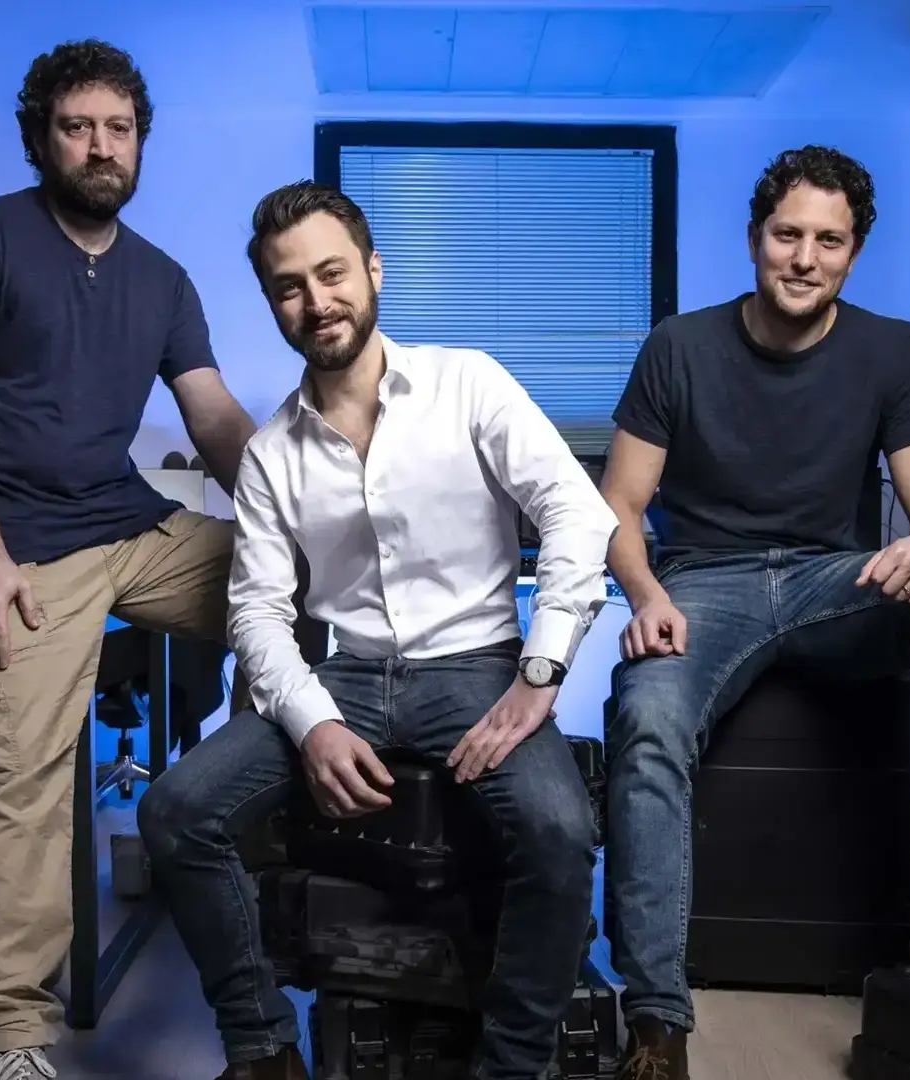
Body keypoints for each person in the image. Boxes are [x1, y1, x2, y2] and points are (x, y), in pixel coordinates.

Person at [598, 145, 910, 1079]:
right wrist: (646, 595)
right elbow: (617, 504)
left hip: (835, 581)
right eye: (788, 235)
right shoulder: (678, 347)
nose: (805, 258)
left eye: (829, 240)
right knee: (646, 715)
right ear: (753, 239)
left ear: (854, 252)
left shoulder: (892, 349)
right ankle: (656, 1018)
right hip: (704, 583)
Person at [139, 181, 614, 1080]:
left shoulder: (467, 382)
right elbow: (257, 611)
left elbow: (575, 512)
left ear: (373, 271)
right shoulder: (271, 453)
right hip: (348, 679)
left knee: (560, 831)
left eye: (332, 274)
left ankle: (512, 1067)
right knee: (174, 812)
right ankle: (263, 1049)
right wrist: (313, 723)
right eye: (289, 287)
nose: (316, 302)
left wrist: (541, 669)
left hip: (476, 666)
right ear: (272, 303)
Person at [0, 39, 259, 1080]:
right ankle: (13, 1033)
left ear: (140, 142)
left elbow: (216, 419)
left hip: (124, 526)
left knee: (305, 587)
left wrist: (302, 521)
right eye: (78, 127)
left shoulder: (163, 278)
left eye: (119, 128)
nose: (102, 147)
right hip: (12, 551)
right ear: (39, 139)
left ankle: (240, 815)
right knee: (20, 781)